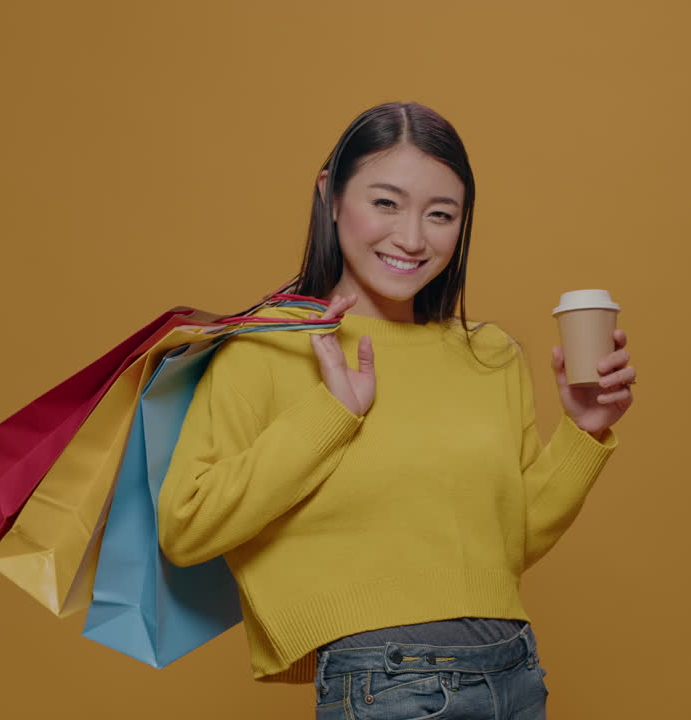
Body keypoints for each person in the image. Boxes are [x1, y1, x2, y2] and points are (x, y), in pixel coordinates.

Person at [157, 101, 636, 719]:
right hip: (389, 684)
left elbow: (504, 544)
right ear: (330, 194)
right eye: (386, 203)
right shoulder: (268, 349)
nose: (412, 238)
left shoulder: (489, 356)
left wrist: (584, 433)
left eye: (441, 215)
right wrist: (332, 414)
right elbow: (186, 525)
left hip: (517, 674)